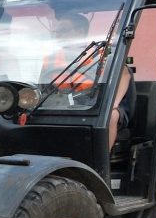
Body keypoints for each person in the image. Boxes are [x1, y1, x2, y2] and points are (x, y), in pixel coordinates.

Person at [43, 12, 131, 149]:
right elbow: (43, 85)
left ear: (79, 31)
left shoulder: (102, 54)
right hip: (61, 102)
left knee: (111, 116)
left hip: (95, 102)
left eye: (63, 31)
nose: (58, 34)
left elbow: (124, 74)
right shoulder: (51, 58)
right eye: (56, 31)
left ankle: (99, 164)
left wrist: (113, 103)